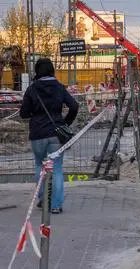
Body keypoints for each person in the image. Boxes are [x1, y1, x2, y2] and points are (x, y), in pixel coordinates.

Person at [20, 58, 79, 214]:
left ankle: (42, 199)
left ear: (37, 71)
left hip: (38, 134)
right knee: (57, 168)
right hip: (56, 134)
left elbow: (23, 113)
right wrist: (65, 122)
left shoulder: (32, 89)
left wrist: (35, 112)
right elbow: (74, 105)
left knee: (40, 165)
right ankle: (56, 205)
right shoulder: (59, 87)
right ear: (52, 70)